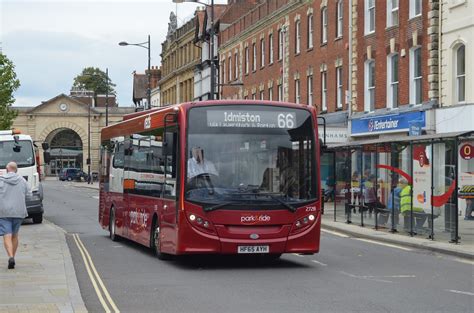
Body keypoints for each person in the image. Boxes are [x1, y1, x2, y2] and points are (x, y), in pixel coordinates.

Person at [0, 162, 30, 269]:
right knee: (15, 235)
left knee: (6, 234)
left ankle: (10, 256)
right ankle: (13, 257)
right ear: (16, 170)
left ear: (7, 170)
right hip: (19, 212)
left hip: (4, 212)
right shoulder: (22, 181)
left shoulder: (1, 180)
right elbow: (29, 194)